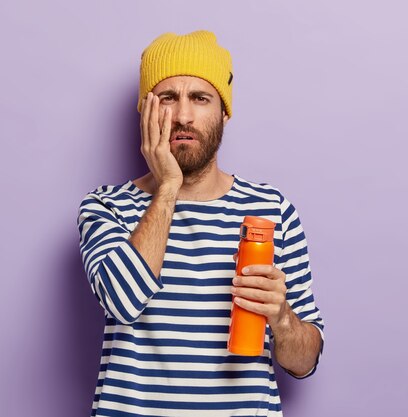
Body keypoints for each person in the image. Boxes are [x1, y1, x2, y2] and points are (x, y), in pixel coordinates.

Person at [77, 30, 324, 416]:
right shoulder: (106, 206)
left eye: (201, 98)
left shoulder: (272, 210)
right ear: (145, 110)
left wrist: (281, 318)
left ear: (224, 111)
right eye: (167, 98)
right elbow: (123, 302)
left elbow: (304, 363)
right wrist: (169, 186)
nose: (183, 116)